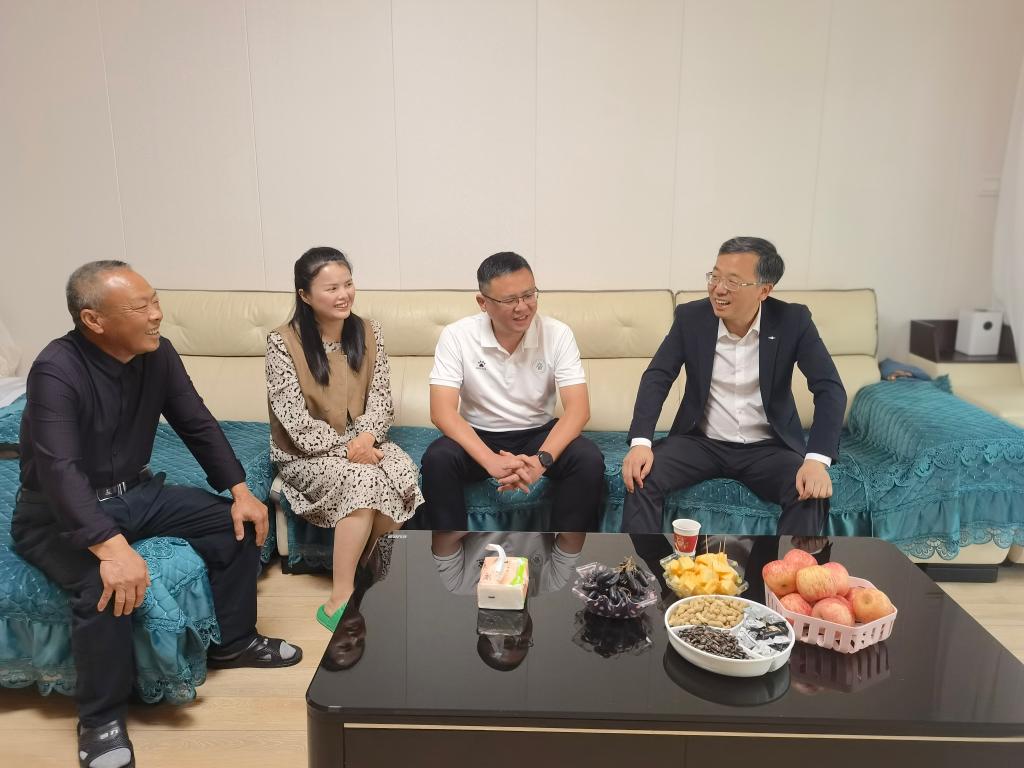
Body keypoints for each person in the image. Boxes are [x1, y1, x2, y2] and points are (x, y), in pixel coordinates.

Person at [13, 261, 302, 768]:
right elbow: (59, 470)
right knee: (102, 585)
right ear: (94, 320)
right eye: (140, 307)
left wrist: (240, 490)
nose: (156, 315)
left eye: (155, 301)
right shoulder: (56, 368)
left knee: (234, 524)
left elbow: (195, 421)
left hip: (138, 494)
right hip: (58, 513)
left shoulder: (158, 353)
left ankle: (234, 642)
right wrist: (110, 547)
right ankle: (100, 720)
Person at [621, 237, 847, 536]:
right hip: (701, 442)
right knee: (642, 476)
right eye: (715, 277)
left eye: (733, 281)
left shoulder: (793, 321)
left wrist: (817, 460)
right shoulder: (691, 318)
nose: (719, 289)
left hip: (768, 448)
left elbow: (829, 389)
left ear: (764, 290)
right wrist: (641, 443)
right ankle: (640, 565)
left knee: (808, 491)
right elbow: (658, 376)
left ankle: (788, 568)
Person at [266, 247, 423, 633]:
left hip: (363, 442)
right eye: (331, 288)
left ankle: (369, 575)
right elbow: (294, 422)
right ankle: (339, 596)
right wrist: (349, 449)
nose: (343, 295)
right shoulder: (282, 342)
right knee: (364, 479)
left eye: (348, 284)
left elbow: (381, 398)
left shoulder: (369, 331)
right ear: (304, 295)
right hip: (305, 451)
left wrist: (365, 439)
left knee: (401, 470)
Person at [419, 252, 604, 531]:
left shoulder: (558, 333)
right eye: (510, 300)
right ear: (483, 303)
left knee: (588, 459)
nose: (523, 307)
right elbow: (441, 412)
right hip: (479, 434)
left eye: (529, 295)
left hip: (538, 433)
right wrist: (490, 460)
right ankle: (452, 553)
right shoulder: (457, 336)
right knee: (438, 459)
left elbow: (579, 410)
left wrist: (541, 461)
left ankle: (564, 553)